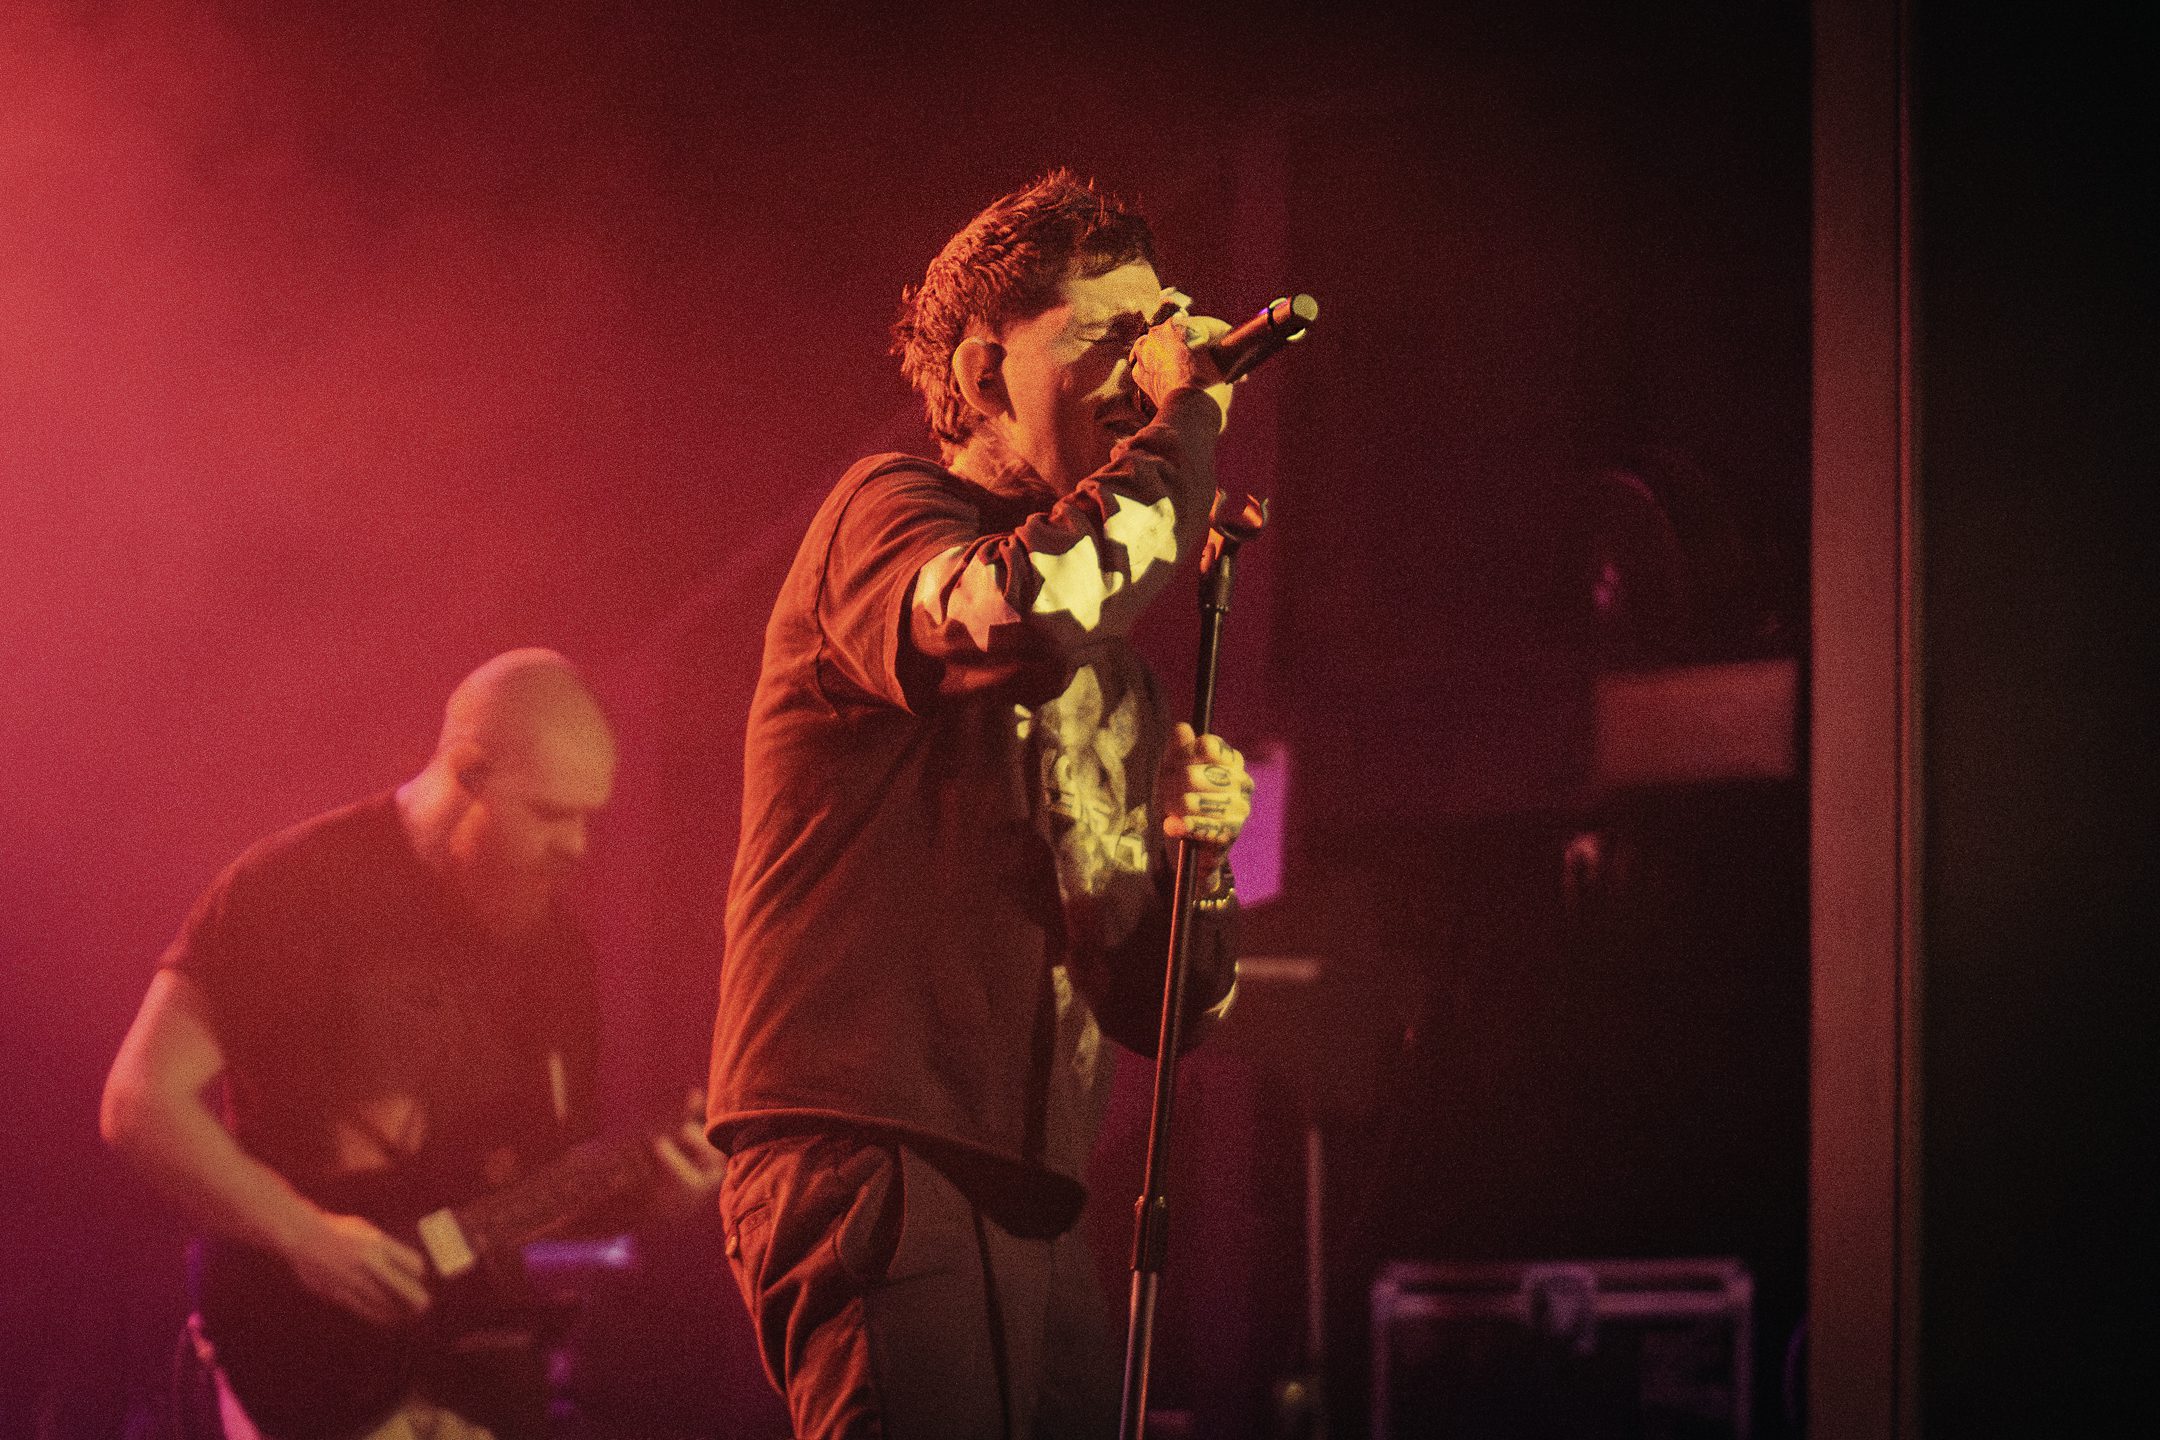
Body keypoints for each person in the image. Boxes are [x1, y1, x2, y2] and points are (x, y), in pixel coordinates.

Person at [707, 170, 1257, 1439]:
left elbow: (1161, 1013)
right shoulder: (888, 518)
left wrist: (1198, 863)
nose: (1144, 371)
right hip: (874, 1151)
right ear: (983, 367)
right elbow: (1028, 608)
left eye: (1156, 336)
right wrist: (1188, 421)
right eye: (1108, 337)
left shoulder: (1121, 682)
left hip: (1033, 1194)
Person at [101, 649, 722, 1440]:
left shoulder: (557, 951)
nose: (578, 847)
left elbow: (532, 1198)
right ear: (468, 774)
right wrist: (306, 1237)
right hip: (302, 1353)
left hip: (475, 1365)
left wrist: (659, 1198)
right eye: (549, 813)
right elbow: (139, 1103)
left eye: (587, 818)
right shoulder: (292, 889)